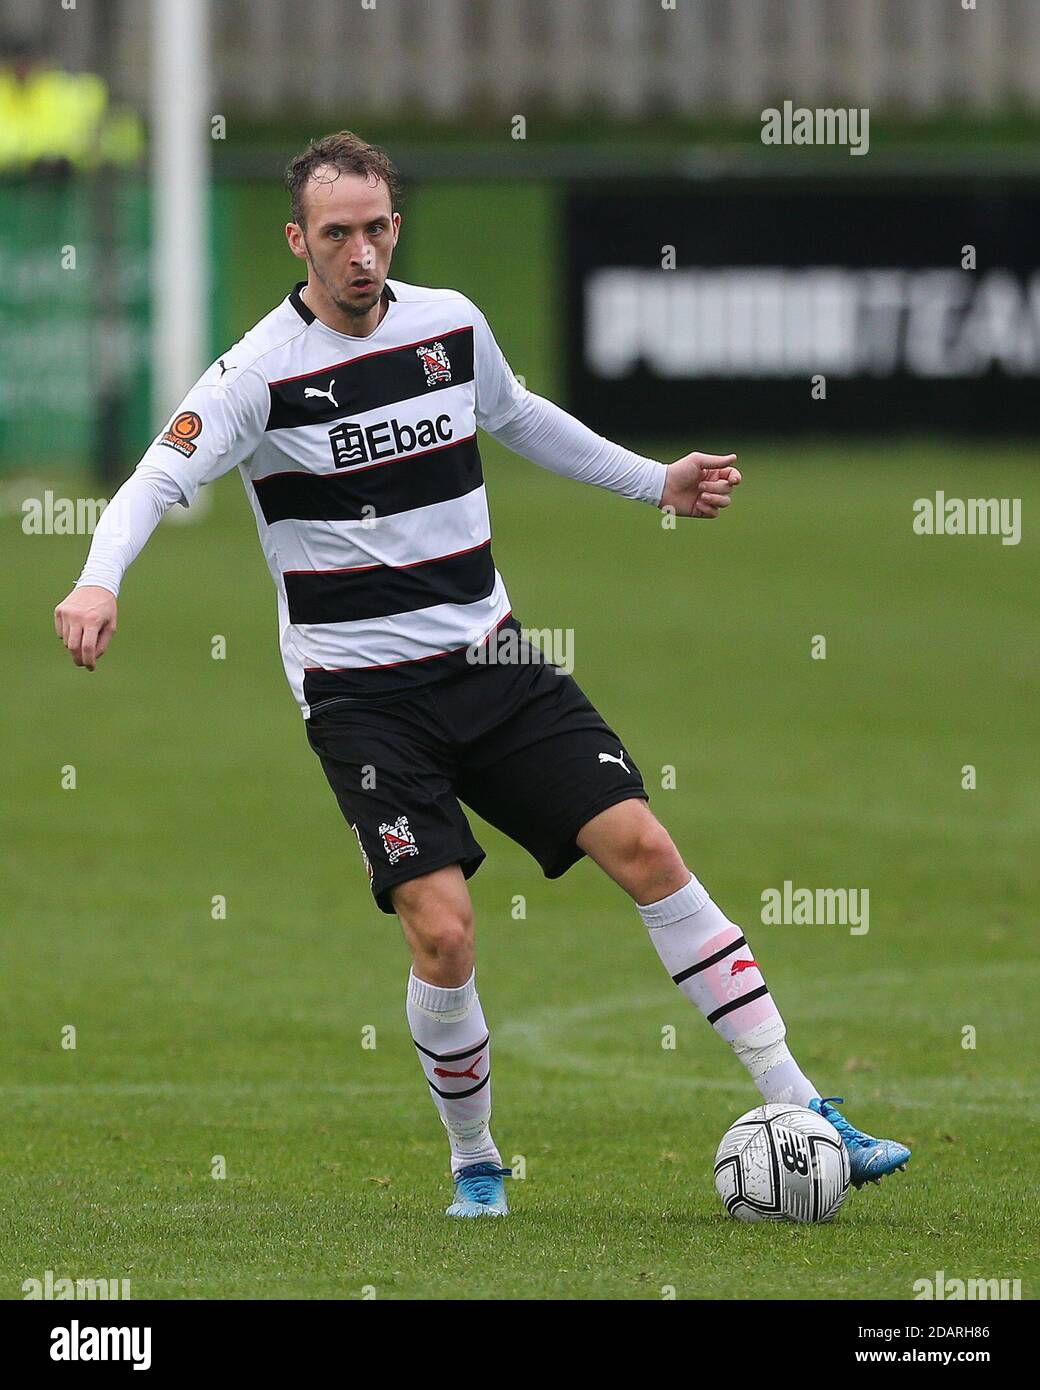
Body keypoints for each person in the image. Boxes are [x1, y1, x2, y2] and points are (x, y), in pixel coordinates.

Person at [56, 131, 910, 1217]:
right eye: (336, 234)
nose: (359, 253)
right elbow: (152, 476)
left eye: (375, 228)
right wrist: (98, 580)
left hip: (494, 658)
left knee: (645, 846)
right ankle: (475, 1159)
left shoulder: (448, 324)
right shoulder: (255, 375)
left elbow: (517, 417)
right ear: (297, 240)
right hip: (365, 701)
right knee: (444, 930)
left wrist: (655, 482)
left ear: (394, 227)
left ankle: (804, 1105)